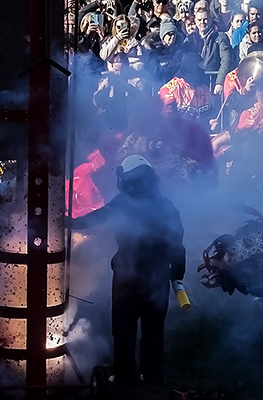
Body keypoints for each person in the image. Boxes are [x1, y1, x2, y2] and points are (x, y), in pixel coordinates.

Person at [72, 156, 185, 386]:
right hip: (157, 276)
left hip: (127, 277)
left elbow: (98, 216)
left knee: (124, 327)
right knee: (153, 328)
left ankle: (124, 376)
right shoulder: (166, 206)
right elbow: (177, 244)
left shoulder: (123, 202)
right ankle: (152, 375)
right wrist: (177, 274)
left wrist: (70, 222)